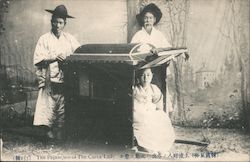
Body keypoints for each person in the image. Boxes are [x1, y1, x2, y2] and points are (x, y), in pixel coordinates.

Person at [131, 3, 175, 154]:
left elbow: (167, 49)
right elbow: (132, 52)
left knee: (157, 99)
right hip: (143, 70)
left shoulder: (159, 35)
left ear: (155, 20)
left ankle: (159, 134)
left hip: (158, 71)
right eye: (146, 18)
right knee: (143, 102)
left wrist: (160, 52)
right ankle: (145, 139)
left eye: (150, 18)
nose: (148, 20)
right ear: (142, 20)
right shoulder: (138, 35)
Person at [33, 4, 80, 141]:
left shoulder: (69, 39)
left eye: (60, 22)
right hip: (49, 80)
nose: (57, 25)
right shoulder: (44, 39)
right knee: (47, 108)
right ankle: (48, 133)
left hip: (64, 80)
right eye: (55, 21)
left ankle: (59, 132)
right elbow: (38, 60)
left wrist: (68, 60)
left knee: (62, 108)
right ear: (51, 21)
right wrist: (53, 58)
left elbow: (78, 53)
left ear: (65, 24)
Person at [133, 68, 175, 155]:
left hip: (149, 111)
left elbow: (158, 103)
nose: (145, 78)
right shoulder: (135, 89)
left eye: (148, 75)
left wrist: (155, 111)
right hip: (138, 112)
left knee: (159, 122)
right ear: (138, 77)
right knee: (144, 124)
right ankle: (149, 149)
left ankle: (160, 148)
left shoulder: (154, 88)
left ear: (152, 76)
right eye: (142, 75)